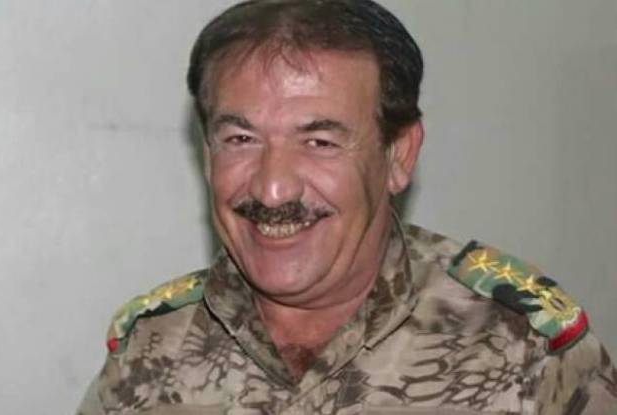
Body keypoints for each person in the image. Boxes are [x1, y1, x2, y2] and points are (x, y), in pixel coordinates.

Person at [77, 1, 617, 414]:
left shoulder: (523, 349)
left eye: (320, 141)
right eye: (241, 139)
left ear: (398, 154)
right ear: (206, 154)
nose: (273, 189)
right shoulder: (152, 346)